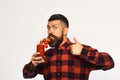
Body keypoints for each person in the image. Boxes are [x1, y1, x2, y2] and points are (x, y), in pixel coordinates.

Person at [23, 14, 114, 80]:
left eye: (55, 27)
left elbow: (109, 63)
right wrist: (33, 64)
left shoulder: (80, 50)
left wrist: (82, 52)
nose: (50, 31)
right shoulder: (46, 55)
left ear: (65, 30)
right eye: (48, 28)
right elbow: (26, 75)